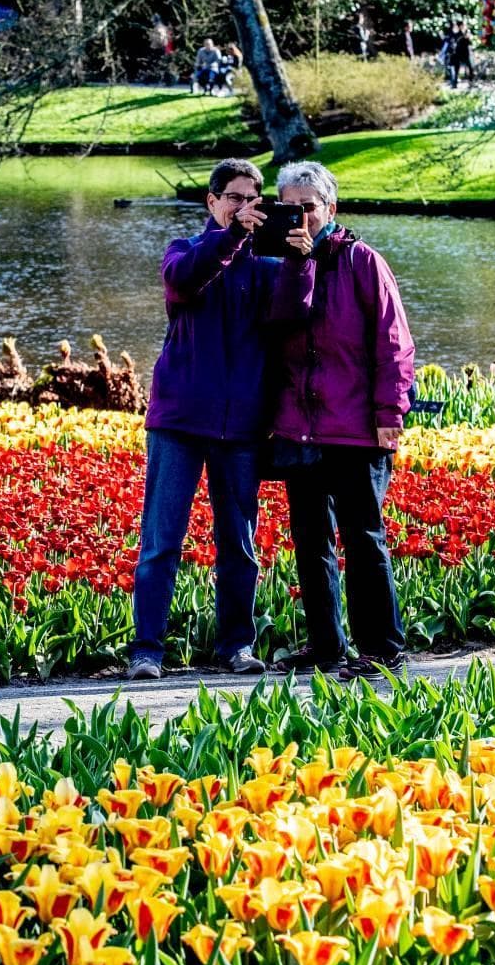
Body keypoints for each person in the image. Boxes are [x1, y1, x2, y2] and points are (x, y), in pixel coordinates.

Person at [127, 158, 304, 681]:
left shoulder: (267, 265)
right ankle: (146, 651)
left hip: (241, 426)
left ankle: (236, 646)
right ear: (212, 202)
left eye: (255, 198)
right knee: (162, 540)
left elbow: (293, 316)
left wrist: (300, 263)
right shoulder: (184, 251)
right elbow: (184, 283)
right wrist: (229, 238)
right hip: (179, 420)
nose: (246, 206)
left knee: (239, 543)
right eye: (235, 197)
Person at [264, 161, 417, 679]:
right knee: (310, 542)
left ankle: (382, 647)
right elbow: (280, 326)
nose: (301, 216)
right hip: (299, 427)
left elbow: (393, 342)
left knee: (364, 537)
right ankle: (328, 647)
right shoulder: (280, 262)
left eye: (309, 206)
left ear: (331, 208)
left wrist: (390, 412)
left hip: (354, 426)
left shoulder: (362, 261)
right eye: (291, 207)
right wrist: (297, 264)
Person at [446, 20, 475, 88]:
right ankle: (454, 83)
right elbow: (454, 42)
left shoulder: (466, 33)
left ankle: (471, 82)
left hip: (465, 53)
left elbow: (469, 43)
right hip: (458, 53)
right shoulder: (456, 34)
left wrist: (468, 37)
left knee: (470, 68)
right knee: (456, 69)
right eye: (463, 25)